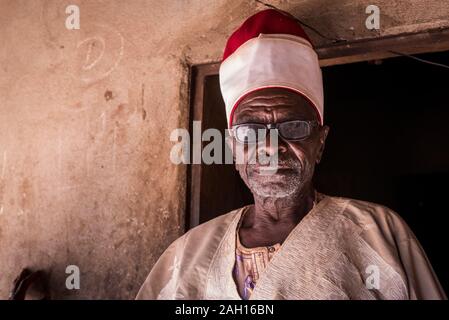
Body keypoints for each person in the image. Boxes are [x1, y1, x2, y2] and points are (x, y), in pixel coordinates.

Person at [136, 9, 446, 300]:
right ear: (233, 148)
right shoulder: (187, 253)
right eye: (250, 132)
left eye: (294, 127)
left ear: (320, 143)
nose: (271, 146)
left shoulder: (380, 233)